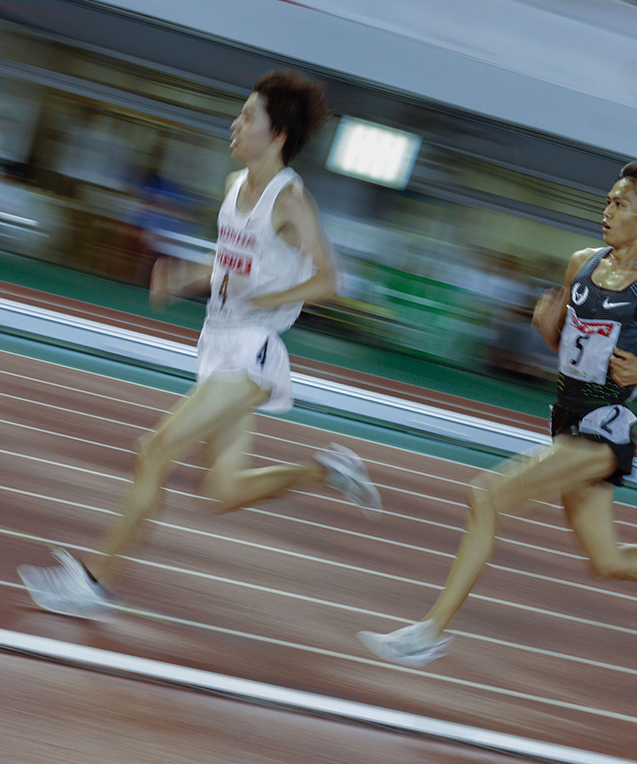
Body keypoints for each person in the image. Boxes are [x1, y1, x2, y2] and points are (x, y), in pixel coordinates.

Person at [358, 160, 637, 667]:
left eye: (620, 204)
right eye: (608, 200)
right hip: (567, 418)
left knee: (485, 496)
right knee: (607, 560)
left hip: (603, 432)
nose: (607, 210)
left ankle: (429, 631)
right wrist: (548, 328)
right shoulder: (581, 265)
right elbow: (571, 351)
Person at [19, 70, 379, 617]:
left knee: (154, 452)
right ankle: (327, 471)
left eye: (248, 116)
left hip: (253, 349)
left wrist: (265, 299)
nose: (235, 124)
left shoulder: (291, 198)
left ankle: (94, 585)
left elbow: (330, 279)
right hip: (218, 339)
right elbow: (234, 261)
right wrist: (189, 274)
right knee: (224, 491)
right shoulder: (236, 186)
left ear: (278, 133)